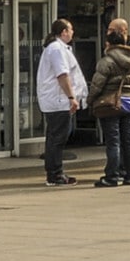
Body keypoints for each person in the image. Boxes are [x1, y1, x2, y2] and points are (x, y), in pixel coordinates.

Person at [87, 22, 130, 186]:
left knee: (113, 141)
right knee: (128, 140)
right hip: (129, 104)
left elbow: (97, 84)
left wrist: (90, 100)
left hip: (111, 104)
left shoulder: (107, 61)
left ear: (109, 43)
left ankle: (112, 176)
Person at [35, 17, 84, 187]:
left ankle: (54, 172)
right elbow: (62, 75)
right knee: (58, 138)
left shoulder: (57, 48)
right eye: (70, 29)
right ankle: (55, 174)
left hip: (56, 100)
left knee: (56, 137)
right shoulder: (56, 49)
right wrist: (71, 97)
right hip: (58, 100)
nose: (72, 32)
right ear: (64, 32)